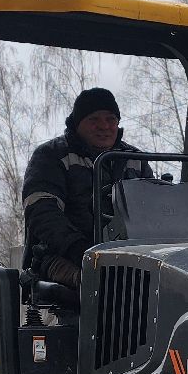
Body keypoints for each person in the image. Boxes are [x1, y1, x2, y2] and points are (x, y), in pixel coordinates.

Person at [20, 87, 147, 288]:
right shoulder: (51, 156)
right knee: (100, 283)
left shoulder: (136, 159)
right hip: (63, 255)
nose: (104, 126)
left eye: (111, 119)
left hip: (128, 256)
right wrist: (79, 249)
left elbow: (153, 210)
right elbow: (42, 213)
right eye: (94, 119)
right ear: (78, 123)